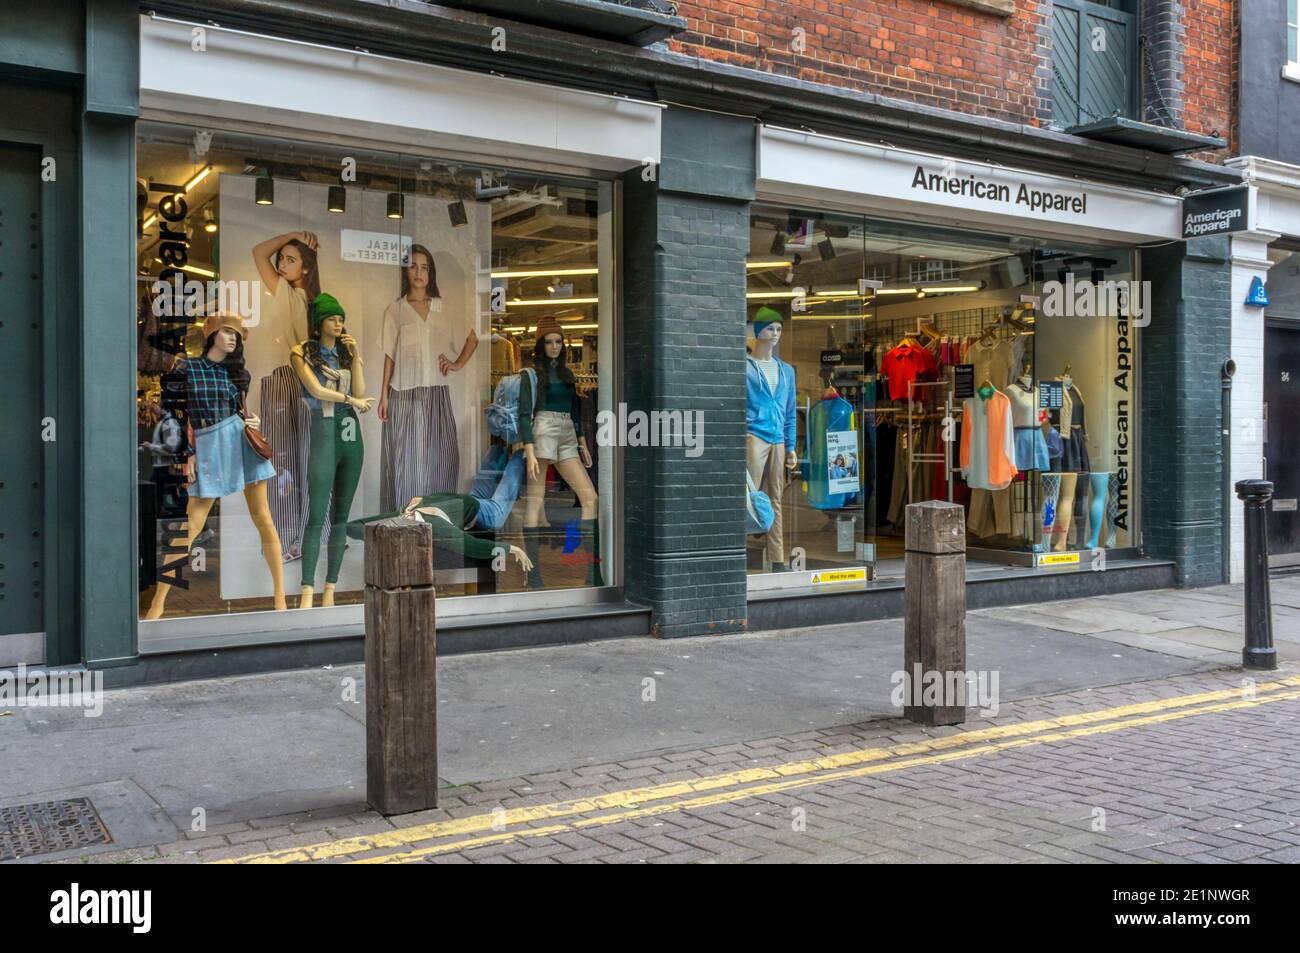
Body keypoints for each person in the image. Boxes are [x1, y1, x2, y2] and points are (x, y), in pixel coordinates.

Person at [378, 244, 478, 508]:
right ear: (405, 271)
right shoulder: (396, 310)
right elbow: (390, 355)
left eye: (424, 267)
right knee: (405, 462)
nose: (418, 272)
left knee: (442, 459)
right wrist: (383, 395)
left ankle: (438, 520)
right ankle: (405, 521)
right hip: (404, 393)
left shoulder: (443, 308)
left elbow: (472, 338)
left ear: (431, 273)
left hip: (436, 394)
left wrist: (457, 364)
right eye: (413, 266)